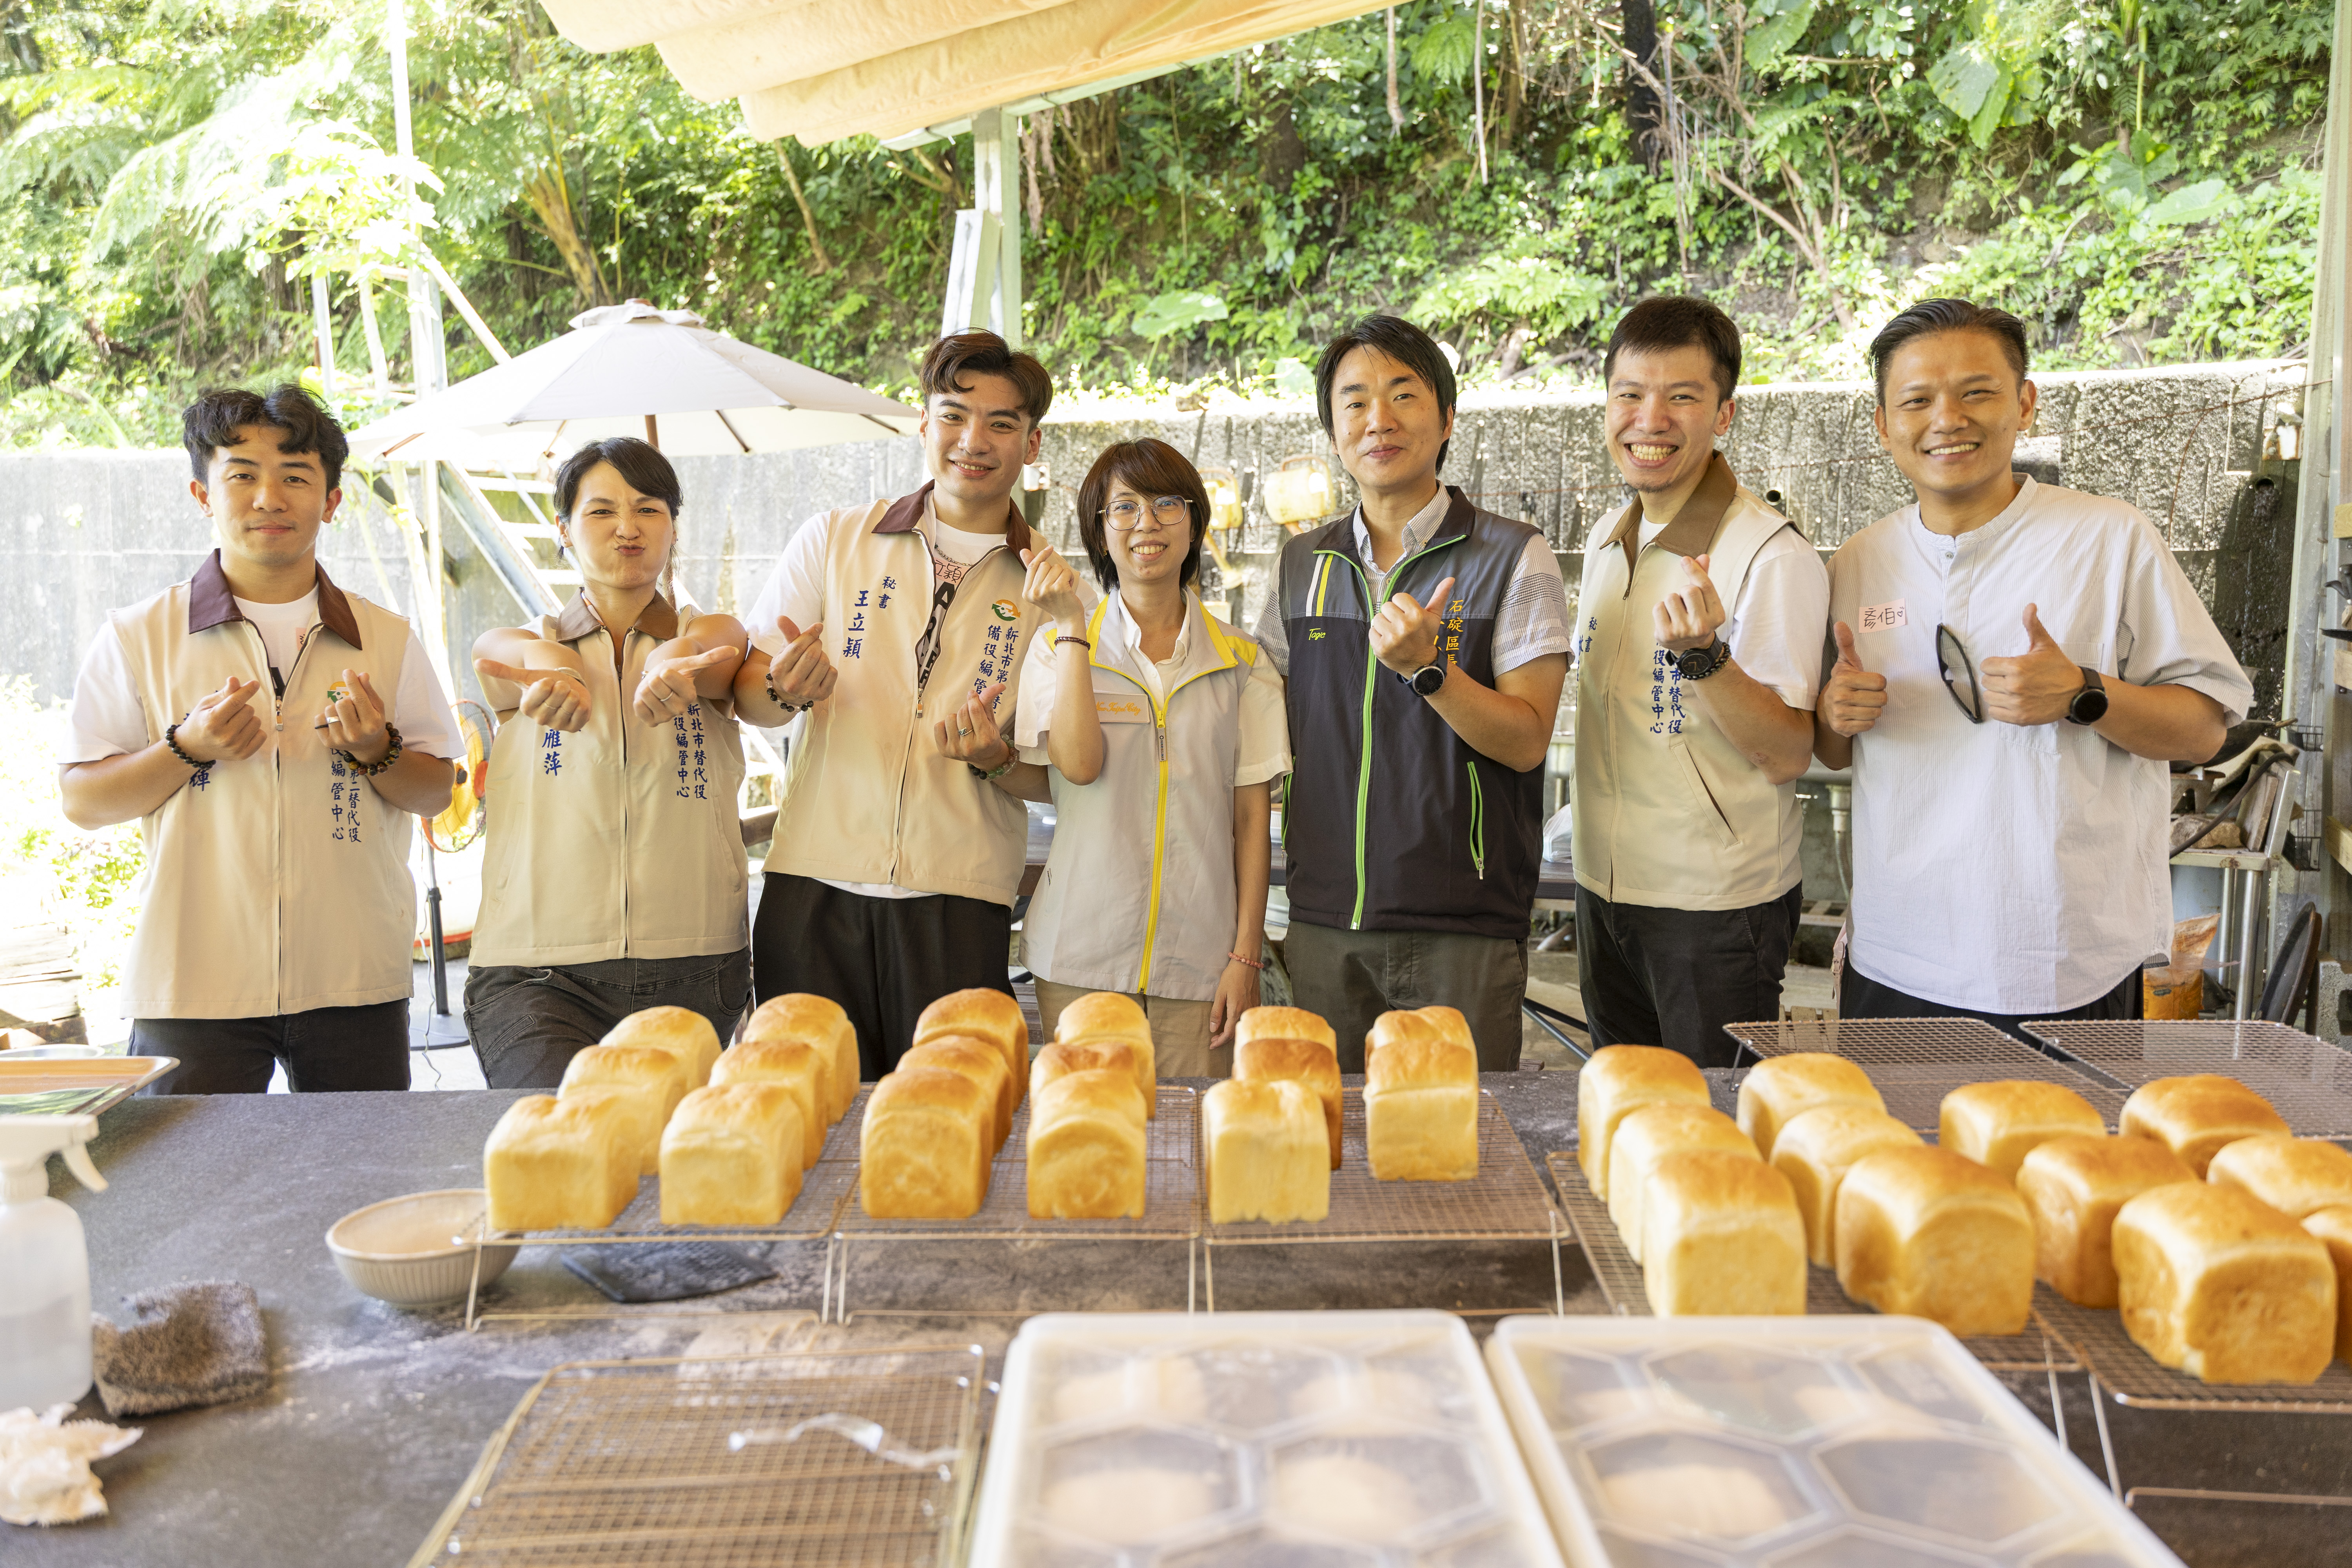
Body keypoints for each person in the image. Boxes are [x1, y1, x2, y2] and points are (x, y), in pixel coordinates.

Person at [1816, 298, 2251, 1034]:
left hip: (2062, 955)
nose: (1947, 418)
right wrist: (1834, 715)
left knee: (2062, 1153)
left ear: (2025, 404)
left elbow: (2205, 730)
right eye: (1917, 399)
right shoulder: (1859, 560)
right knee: (1896, 1153)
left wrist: (2088, 693)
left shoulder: (2109, 538)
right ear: (1884, 424)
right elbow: (1831, 749)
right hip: (1898, 953)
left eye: (1976, 392)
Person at [56, 385, 459, 1093]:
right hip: (192, 980)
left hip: (354, 977)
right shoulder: (138, 634)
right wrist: (185, 747)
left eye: (296, 477)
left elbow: (436, 791)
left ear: (331, 501)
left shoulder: (385, 637)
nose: (269, 498)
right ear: (201, 493)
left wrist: (379, 753)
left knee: (357, 1188)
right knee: (191, 1195)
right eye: (241, 475)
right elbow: (84, 801)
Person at [735, 330, 1076, 1077]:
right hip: (813, 885)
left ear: (1032, 443)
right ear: (924, 424)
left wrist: (997, 759)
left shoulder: (1054, 592)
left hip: (958, 897)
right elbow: (749, 694)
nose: (973, 441)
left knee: (946, 1110)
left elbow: (1062, 775)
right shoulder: (834, 538)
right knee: (803, 1107)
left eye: (1001, 424)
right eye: (953, 415)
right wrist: (780, 690)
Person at [1257, 314, 1571, 1072]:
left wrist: (1431, 671)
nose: (1379, 421)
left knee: (1463, 1145)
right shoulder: (1301, 566)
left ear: (1447, 420)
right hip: (1326, 919)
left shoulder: (1514, 554)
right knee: (1328, 1147)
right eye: (1355, 402)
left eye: (1404, 395)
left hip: (1460, 923)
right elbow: (1259, 727)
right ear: (1335, 431)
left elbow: (1528, 739)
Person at [1570, 297, 1830, 1068]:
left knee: (1715, 1135)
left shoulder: (1769, 553)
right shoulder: (1608, 539)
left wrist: (1706, 657)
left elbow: (1788, 751)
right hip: (1602, 887)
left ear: (1724, 414)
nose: (1650, 418)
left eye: (1682, 396)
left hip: (1715, 910)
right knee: (1629, 1113)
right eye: (1630, 394)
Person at [995, 438, 1290, 1076]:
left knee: (1191, 1151)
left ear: (1194, 524)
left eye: (1166, 505)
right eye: (1122, 508)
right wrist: (1074, 628)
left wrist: (1245, 956)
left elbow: (1250, 821)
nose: (1146, 524)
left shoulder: (1243, 662)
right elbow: (1074, 768)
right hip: (1079, 954)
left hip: (1202, 960)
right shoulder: (1055, 646)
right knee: (1087, 1141)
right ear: (1101, 535)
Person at [463, 437, 751, 1087]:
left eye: (649, 508)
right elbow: (506, 657)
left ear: (673, 527)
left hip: (696, 962)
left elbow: (720, 646)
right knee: (555, 1148)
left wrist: (671, 663)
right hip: (536, 972)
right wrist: (558, 669)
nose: (627, 527)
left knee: (675, 1168)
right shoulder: (522, 646)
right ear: (562, 530)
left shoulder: (712, 643)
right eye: (601, 512)